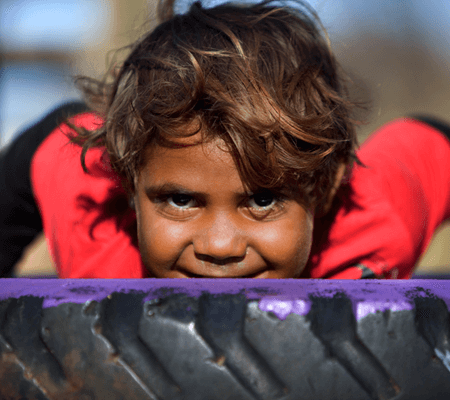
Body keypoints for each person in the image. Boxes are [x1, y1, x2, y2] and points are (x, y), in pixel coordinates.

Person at [1, 0, 450, 279]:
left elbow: (431, 149)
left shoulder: (376, 222)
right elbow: (50, 140)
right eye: (179, 200)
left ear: (324, 188)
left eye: (261, 201)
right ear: (127, 185)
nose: (220, 247)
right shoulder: (93, 220)